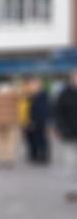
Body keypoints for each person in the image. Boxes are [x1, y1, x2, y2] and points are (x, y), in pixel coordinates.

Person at [55, 71, 77, 201]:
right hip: (69, 135)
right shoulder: (64, 94)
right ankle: (72, 190)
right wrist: (62, 129)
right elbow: (58, 113)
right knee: (70, 164)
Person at [0, 79, 22, 167]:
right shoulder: (12, 94)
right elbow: (19, 98)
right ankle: (9, 158)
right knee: (10, 141)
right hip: (10, 121)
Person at [26, 79, 51, 165]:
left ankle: (43, 156)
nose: (31, 87)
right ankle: (34, 155)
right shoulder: (30, 96)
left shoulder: (43, 96)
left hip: (40, 121)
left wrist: (38, 121)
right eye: (30, 85)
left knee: (41, 139)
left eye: (33, 85)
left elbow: (44, 110)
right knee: (31, 139)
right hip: (30, 121)